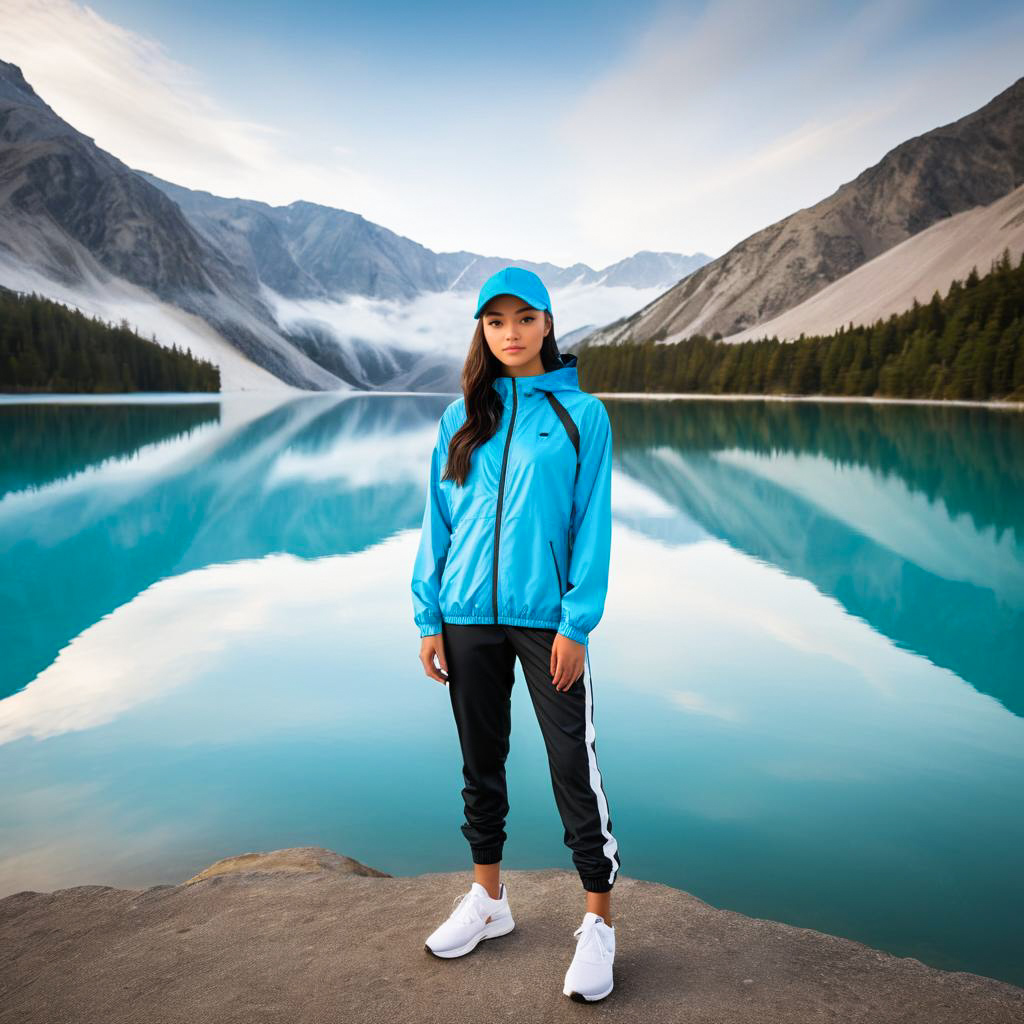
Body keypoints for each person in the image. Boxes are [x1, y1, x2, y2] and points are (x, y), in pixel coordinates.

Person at [410, 266, 620, 1002]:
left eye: (524, 319)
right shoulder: (461, 416)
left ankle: (596, 922)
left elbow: (591, 524)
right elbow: (438, 520)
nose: (510, 333)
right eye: (495, 322)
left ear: (548, 323)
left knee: (572, 763)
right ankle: (489, 901)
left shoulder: (582, 415)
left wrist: (577, 622)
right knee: (481, 762)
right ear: (482, 331)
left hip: (546, 620)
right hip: (465, 615)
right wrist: (428, 613)